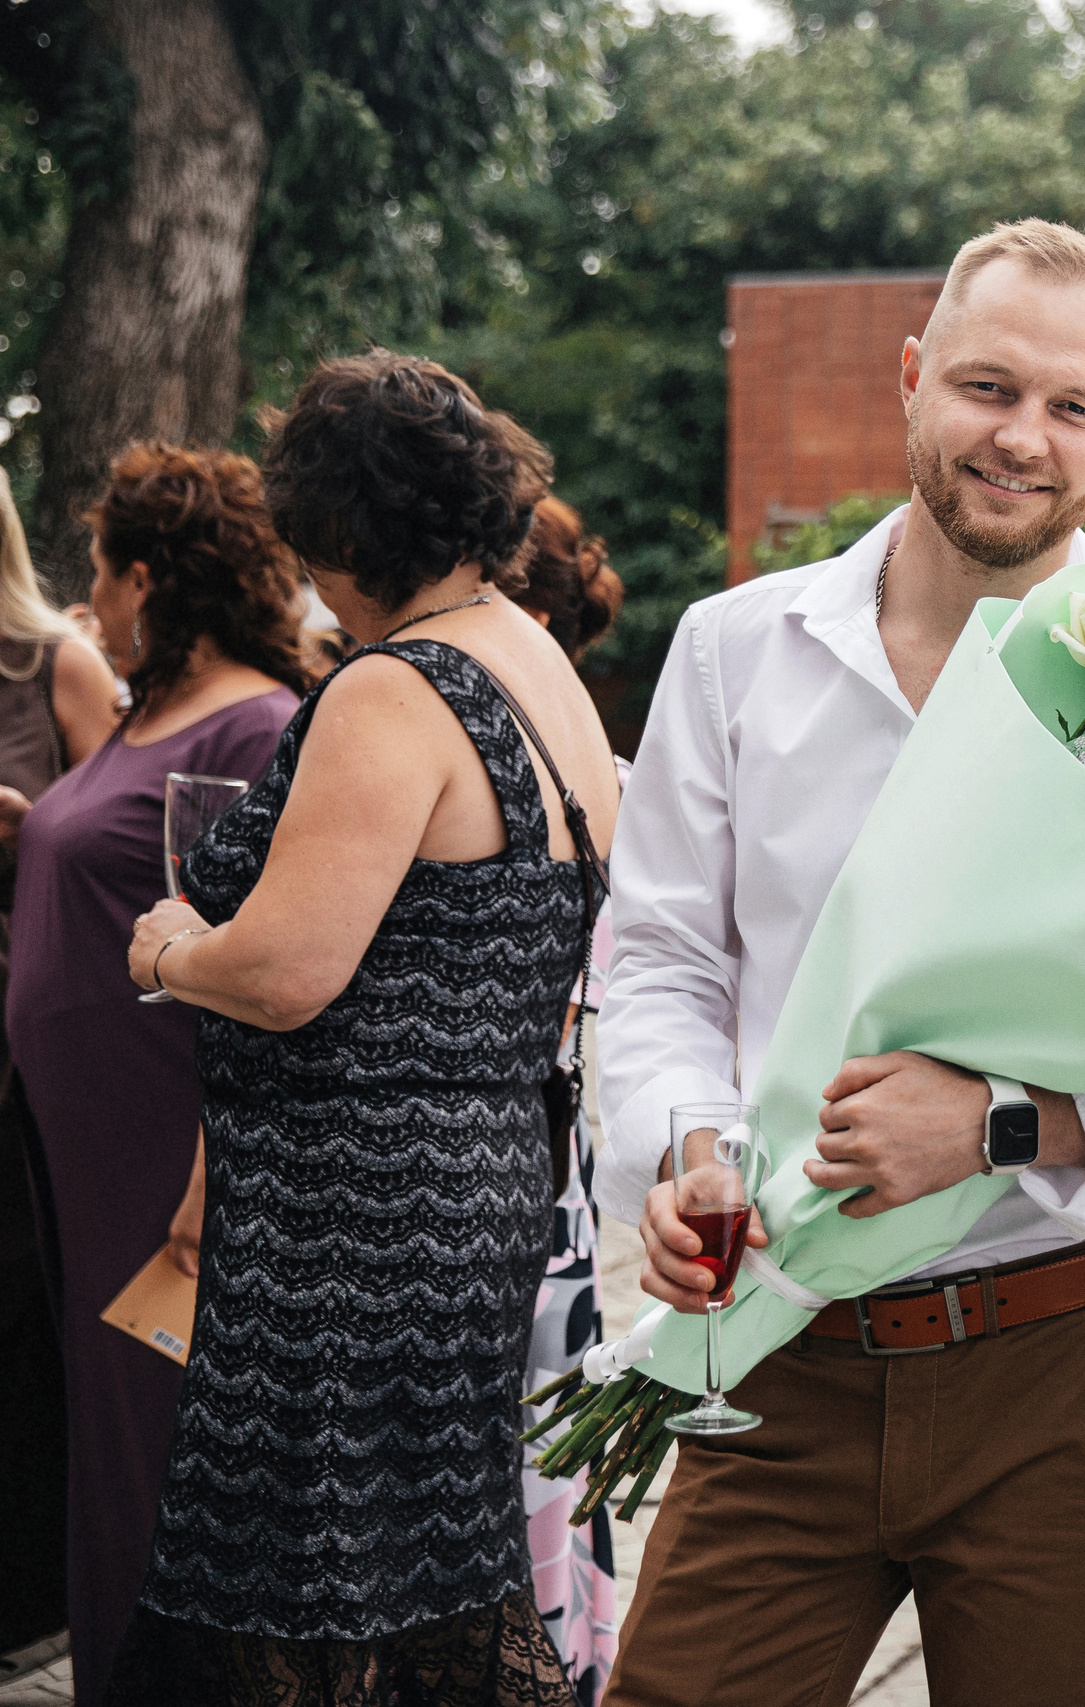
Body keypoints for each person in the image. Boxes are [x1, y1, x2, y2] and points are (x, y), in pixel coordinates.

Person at [598, 218, 1085, 1706]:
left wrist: (1002, 1118)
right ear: (912, 377)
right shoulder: (731, 650)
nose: (1022, 437)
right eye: (986, 386)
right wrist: (689, 1146)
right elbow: (669, 964)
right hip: (776, 1348)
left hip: (1059, 1362)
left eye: (1073, 407)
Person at [113, 353, 617, 1707]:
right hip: (478, 1193)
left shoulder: (398, 687)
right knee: (429, 1581)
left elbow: (285, 970)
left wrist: (171, 948)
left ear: (343, 531)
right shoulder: (540, 666)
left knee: (302, 1599)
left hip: (349, 1224)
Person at [7, 444, 305, 1702]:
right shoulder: (141, 713)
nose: (89, 596)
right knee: (109, 1455)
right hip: (81, 1152)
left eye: (99, 571)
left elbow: (265, 962)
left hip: (166, 1152)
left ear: (145, 577)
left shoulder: (256, 721)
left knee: (169, 1458)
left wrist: (209, 1167)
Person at [506, 494, 627, 1700]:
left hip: (530, 1162)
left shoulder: (555, 761)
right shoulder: (596, 753)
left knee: (533, 1439)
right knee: (548, 1441)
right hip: (558, 1174)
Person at [0, 474, 123, 1658]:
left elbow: (113, 841)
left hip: (18, 1036)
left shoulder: (52, 665)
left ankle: (26, 1596)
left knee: (18, 1305)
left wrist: (23, 820)